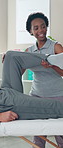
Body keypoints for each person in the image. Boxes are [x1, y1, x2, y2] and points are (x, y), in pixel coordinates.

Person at [0, 50, 63, 124]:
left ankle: (51, 60)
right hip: (2, 104)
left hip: (2, 92)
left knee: (11, 56)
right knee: (53, 106)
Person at [25, 12, 63, 148]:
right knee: (38, 136)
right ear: (30, 31)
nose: (40, 30)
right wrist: (9, 58)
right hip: (37, 96)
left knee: (60, 134)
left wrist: (52, 66)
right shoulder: (29, 51)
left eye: (43, 26)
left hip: (57, 96)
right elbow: (18, 70)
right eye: (36, 28)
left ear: (46, 27)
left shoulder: (56, 47)